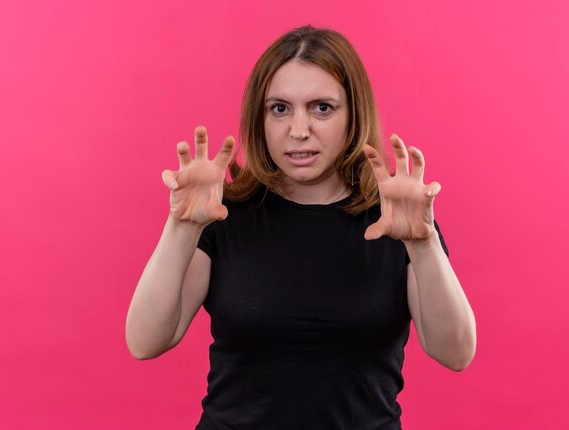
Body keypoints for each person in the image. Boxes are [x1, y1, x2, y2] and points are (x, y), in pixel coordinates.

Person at [126, 25, 476, 430]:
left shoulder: (397, 220)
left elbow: (456, 353)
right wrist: (181, 227)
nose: (298, 130)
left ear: (353, 114)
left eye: (322, 108)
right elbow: (145, 341)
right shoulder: (222, 214)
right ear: (260, 117)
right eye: (280, 108)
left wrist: (424, 243)